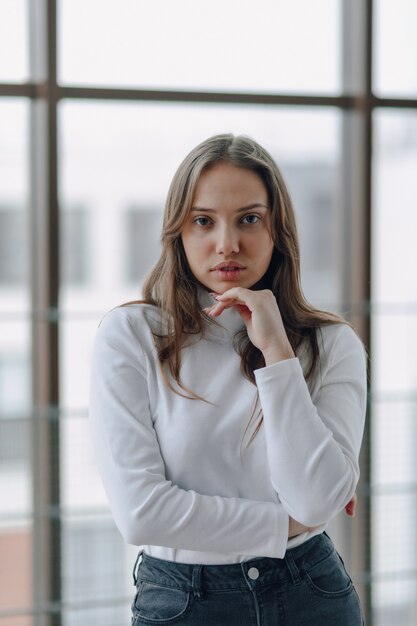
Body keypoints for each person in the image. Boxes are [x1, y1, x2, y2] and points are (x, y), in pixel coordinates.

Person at [89, 133, 367, 625]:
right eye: (203, 221)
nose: (227, 244)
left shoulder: (331, 343)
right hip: (182, 602)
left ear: (277, 230)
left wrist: (278, 353)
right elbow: (141, 513)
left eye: (249, 219)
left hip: (310, 593)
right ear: (179, 232)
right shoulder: (131, 335)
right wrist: (287, 523)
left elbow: (317, 499)